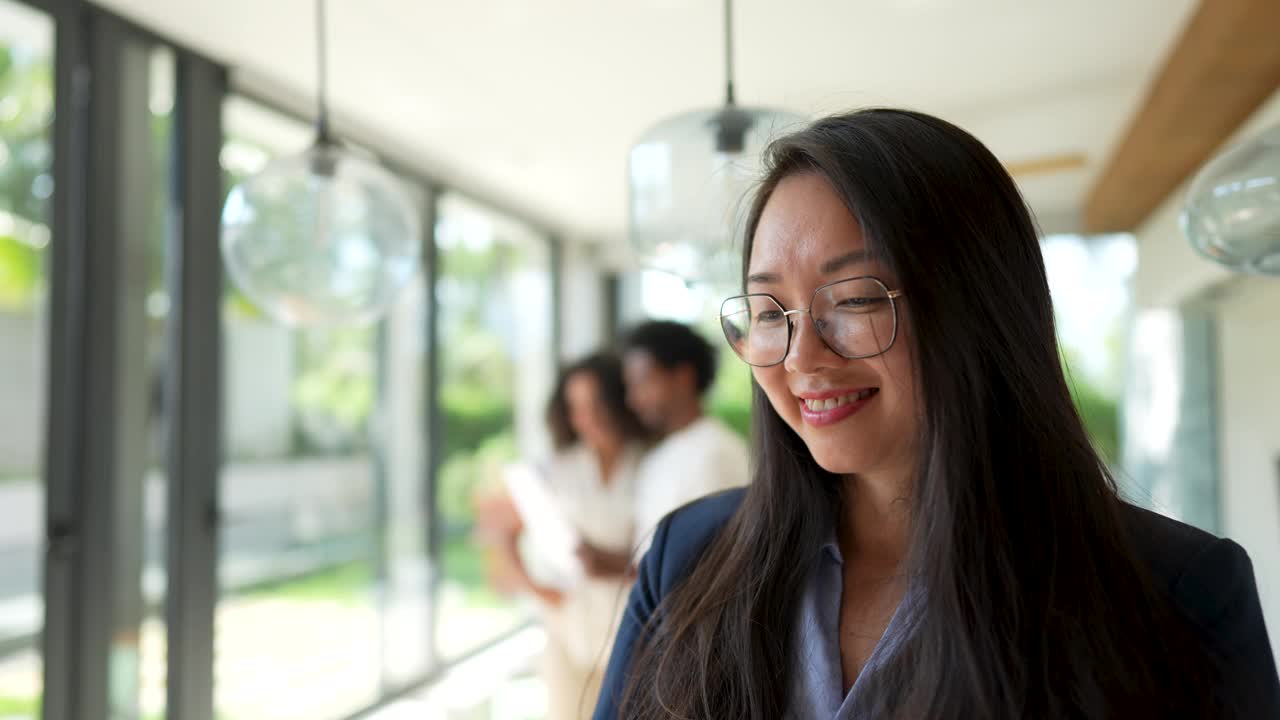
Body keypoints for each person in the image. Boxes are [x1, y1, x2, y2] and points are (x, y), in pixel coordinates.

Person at [593, 109, 1280, 719]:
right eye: (771, 312)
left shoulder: (1176, 590)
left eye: (856, 299)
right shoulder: (688, 559)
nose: (802, 357)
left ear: (978, 308)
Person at [485, 352, 649, 720]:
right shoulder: (558, 468)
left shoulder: (649, 463)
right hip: (570, 632)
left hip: (634, 633)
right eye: (575, 406)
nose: (586, 418)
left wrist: (608, 561)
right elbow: (500, 529)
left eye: (595, 403)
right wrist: (538, 589)